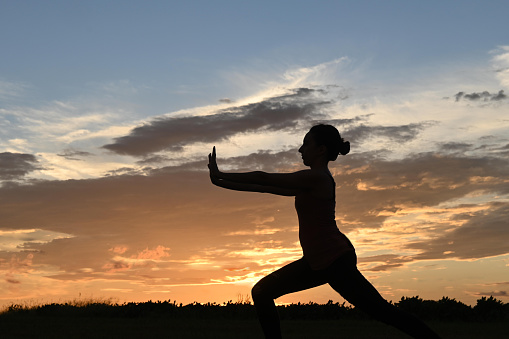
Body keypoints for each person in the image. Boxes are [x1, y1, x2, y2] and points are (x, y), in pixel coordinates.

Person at [208, 124, 441, 339]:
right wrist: (219, 181)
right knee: (261, 292)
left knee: (383, 312)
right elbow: (263, 187)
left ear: (320, 150)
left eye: (305, 144)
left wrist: (222, 173)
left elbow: (263, 177)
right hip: (315, 261)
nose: (300, 149)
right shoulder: (308, 181)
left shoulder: (317, 178)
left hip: (335, 260)